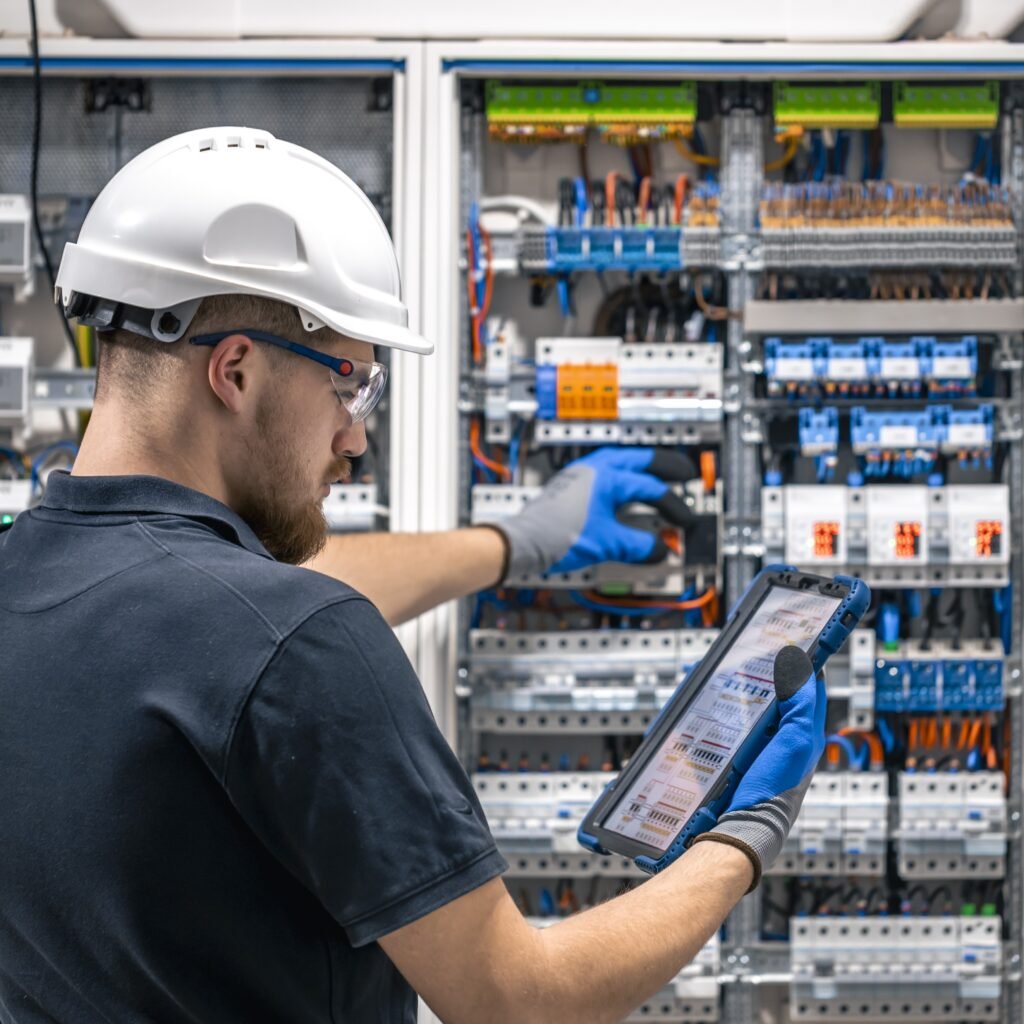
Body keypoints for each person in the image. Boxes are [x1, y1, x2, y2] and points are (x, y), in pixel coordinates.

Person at [0, 127, 824, 1024]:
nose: (355, 436)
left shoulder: (32, 576)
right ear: (234, 371)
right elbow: (521, 1001)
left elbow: (222, 628)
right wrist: (741, 839)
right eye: (350, 385)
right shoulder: (297, 645)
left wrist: (512, 542)